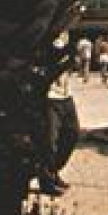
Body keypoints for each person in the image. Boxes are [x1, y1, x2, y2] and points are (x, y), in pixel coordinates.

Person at [40, 37, 80, 195]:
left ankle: (54, 170)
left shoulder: (65, 37)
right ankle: (47, 180)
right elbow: (51, 67)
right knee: (50, 141)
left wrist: (73, 59)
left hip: (66, 96)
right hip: (51, 98)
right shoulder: (45, 43)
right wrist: (66, 58)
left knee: (72, 134)